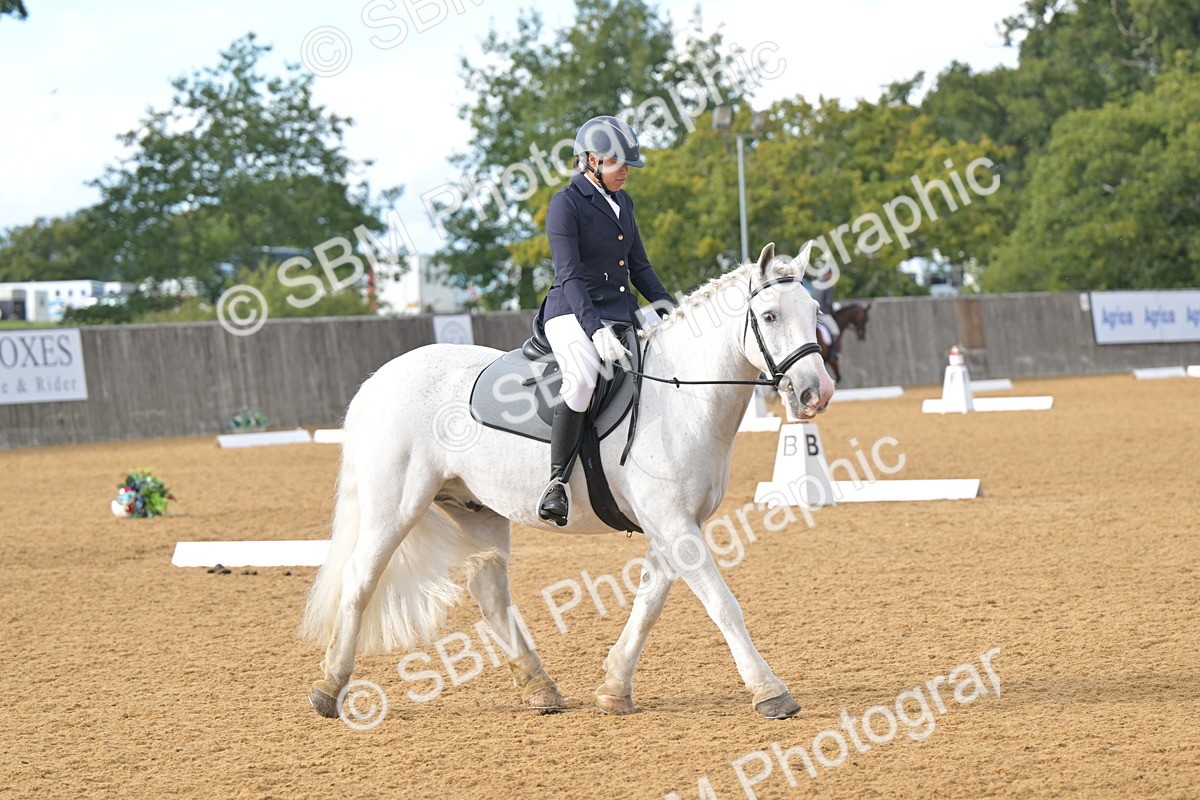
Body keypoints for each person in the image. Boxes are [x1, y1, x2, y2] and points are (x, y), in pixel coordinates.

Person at [536, 115, 675, 526]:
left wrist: (669, 306)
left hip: (620, 313)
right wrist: (594, 329)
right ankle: (557, 482)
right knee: (582, 378)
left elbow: (639, 267)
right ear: (592, 160)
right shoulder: (566, 203)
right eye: (619, 165)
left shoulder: (624, 203)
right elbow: (569, 275)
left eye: (628, 166)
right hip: (571, 312)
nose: (626, 173)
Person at [805, 265, 840, 361]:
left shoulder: (815, 284)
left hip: (812, 314)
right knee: (835, 331)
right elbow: (828, 302)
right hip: (823, 313)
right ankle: (834, 353)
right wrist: (833, 313)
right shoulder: (827, 284)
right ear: (828, 274)